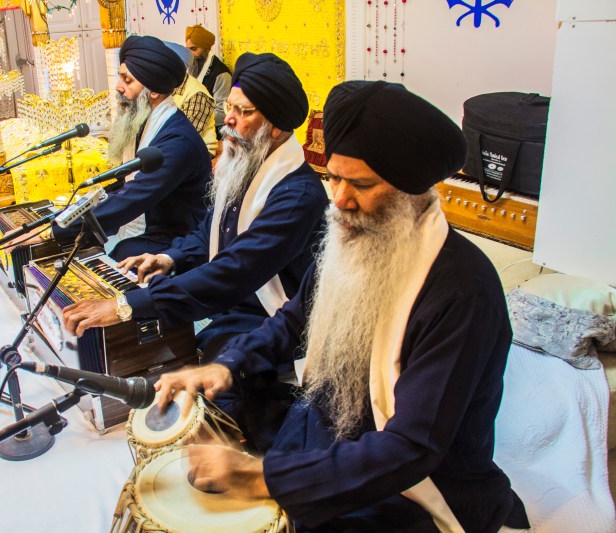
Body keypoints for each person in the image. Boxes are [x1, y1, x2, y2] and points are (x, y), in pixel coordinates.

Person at [153, 81, 531, 532]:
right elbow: (296, 317)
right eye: (333, 177)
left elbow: (413, 447)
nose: (339, 200)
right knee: (221, 412)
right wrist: (229, 365)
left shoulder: (463, 292)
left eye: (362, 184)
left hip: (416, 481)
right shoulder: (354, 234)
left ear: (413, 193)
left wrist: (258, 477)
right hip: (332, 428)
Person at [61, 52, 329, 360]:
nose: (228, 119)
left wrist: (126, 306)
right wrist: (169, 258)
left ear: (276, 128)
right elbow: (210, 230)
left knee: (185, 366)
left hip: (273, 320)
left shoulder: (296, 196)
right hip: (234, 307)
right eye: (230, 107)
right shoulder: (248, 163)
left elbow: (236, 269)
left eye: (243, 112)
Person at [51, 35, 212, 261]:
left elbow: (133, 197)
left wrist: (54, 230)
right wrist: (67, 216)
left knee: (115, 259)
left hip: (181, 243)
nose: (118, 87)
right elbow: (122, 186)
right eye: (121, 78)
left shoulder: (177, 140)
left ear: (153, 90)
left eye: (127, 81)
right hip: (156, 233)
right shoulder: (147, 124)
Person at [185, 25, 231, 138]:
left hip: (213, 134)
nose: (190, 54)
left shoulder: (221, 75)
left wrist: (195, 118)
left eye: (194, 49)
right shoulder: (191, 67)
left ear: (206, 48)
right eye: (187, 49)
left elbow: (223, 111)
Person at [172, 72, 218, 156]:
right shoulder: (165, 85)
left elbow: (183, 139)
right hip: (168, 145)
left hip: (199, 152)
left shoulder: (198, 95)